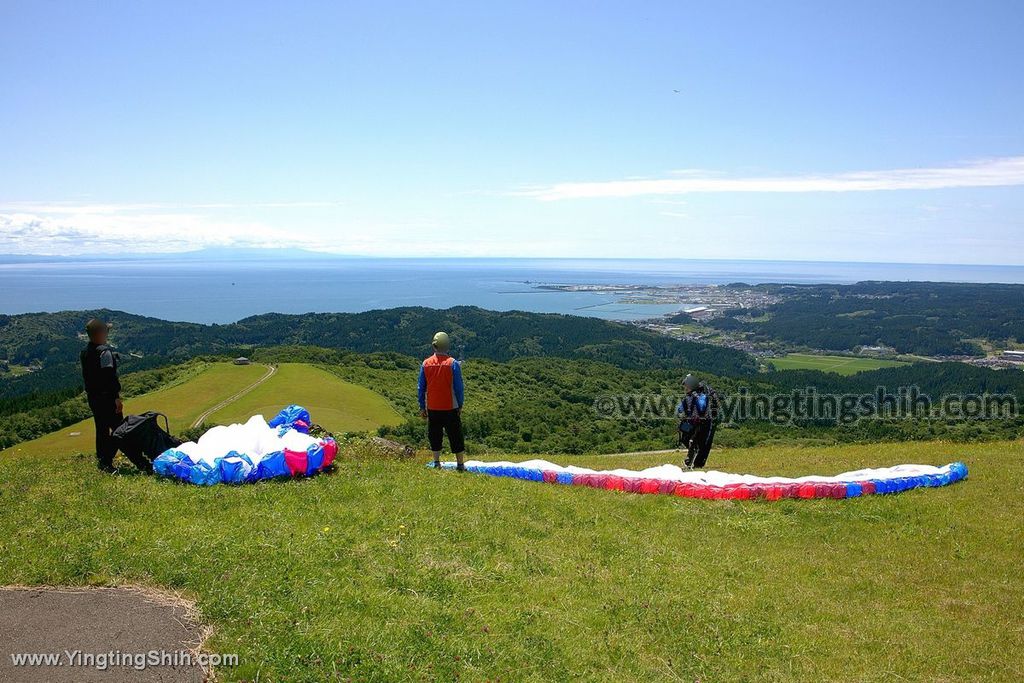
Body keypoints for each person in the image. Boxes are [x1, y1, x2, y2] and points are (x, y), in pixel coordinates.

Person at [80, 318, 150, 473]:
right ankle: (141, 463)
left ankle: (103, 461)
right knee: (121, 431)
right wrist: (116, 397)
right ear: (100, 333)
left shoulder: (85, 352)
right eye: (106, 331)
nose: (107, 334)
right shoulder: (104, 352)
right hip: (107, 398)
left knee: (102, 430)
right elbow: (109, 376)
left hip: (93, 398)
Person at [418, 331, 466, 471]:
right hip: (451, 406)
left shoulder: (426, 364)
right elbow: (459, 388)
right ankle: (460, 464)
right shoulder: (453, 364)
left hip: (433, 407)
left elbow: (421, 387)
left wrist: (422, 407)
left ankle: (437, 463)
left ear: (434, 346)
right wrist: (460, 404)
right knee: (456, 435)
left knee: (434, 435)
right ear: (447, 346)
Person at [679, 373, 719, 469]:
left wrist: (695, 398)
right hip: (692, 422)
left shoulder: (701, 396)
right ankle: (693, 456)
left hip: (702, 423)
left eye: (686, 386)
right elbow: (680, 409)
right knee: (686, 439)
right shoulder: (689, 397)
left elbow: (701, 408)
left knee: (694, 441)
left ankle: (692, 462)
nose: (685, 389)